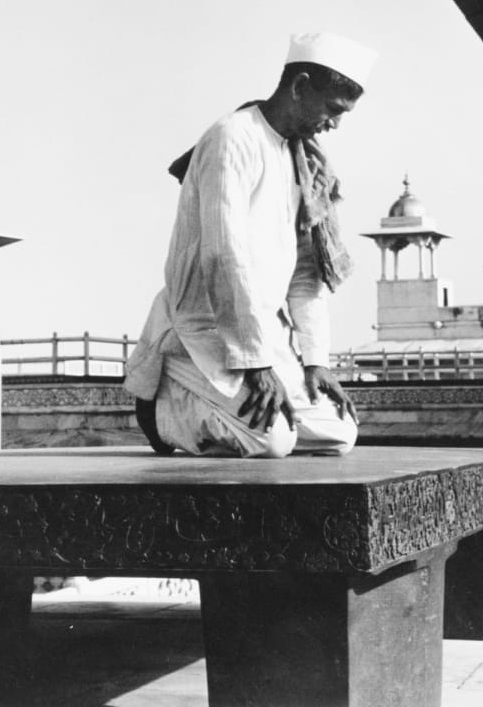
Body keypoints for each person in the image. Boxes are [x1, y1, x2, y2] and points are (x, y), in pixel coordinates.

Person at [124, 32, 376, 458]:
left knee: (340, 432)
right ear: (299, 87)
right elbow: (224, 255)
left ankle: (231, 405)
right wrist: (255, 364)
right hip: (202, 328)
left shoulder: (300, 158)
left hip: (260, 331)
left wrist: (316, 361)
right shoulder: (232, 137)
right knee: (273, 439)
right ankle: (164, 411)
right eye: (333, 110)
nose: (335, 124)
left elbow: (304, 271)